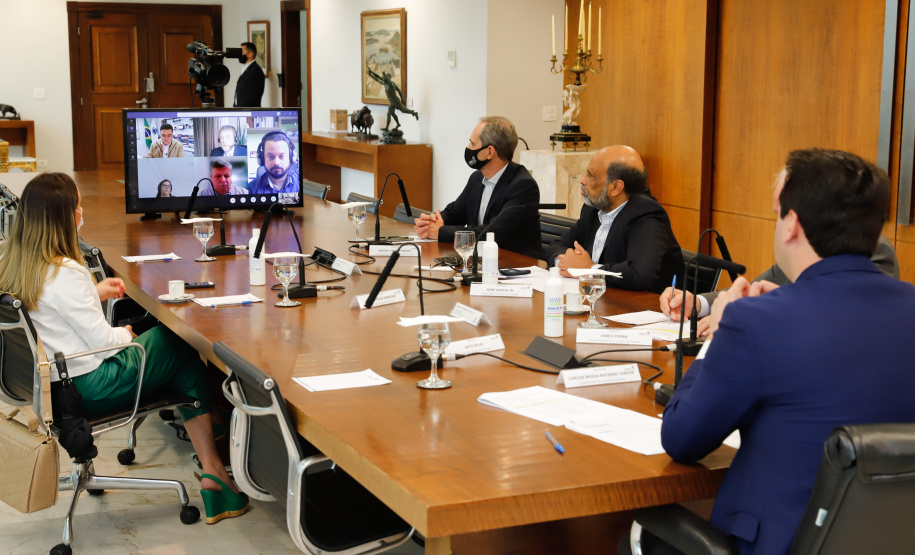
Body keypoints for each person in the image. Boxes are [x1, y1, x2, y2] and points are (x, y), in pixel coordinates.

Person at [630, 149, 915, 555]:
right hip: (893, 539)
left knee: (639, 535)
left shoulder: (756, 322)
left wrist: (719, 334)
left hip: (778, 542)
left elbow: (681, 438)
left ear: (791, 224)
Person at [0, 173, 248, 525]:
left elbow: (48, 305)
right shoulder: (66, 271)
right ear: (64, 217)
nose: (81, 213)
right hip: (87, 386)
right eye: (78, 207)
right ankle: (215, 458)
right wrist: (125, 334)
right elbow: (102, 343)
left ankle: (214, 450)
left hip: (46, 388)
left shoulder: (14, 262)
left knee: (178, 357)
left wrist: (93, 293)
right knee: (179, 342)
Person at [660, 234, 900, 336]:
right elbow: (751, 289)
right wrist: (699, 303)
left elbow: (845, 322)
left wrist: (738, 327)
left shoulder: (871, 248)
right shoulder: (801, 246)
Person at [544, 145, 683, 293]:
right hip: (601, 298)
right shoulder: (594, 208)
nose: (583, 180)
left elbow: (639, 275)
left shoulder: (646, 214)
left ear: (616, 187)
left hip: (644, 304)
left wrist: (588, 269)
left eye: (591, 176)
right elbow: (556, 246)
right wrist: (567, 263)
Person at [413, 116, 541, 259]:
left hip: (515, 264)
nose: (468, 148)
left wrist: (440, 232)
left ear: (489, 152)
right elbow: (455, 212)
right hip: (481, 261)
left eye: (472, 144)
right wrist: (430, 222)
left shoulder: (523, 186)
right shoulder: (477, 178)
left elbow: (492, 233)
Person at [234, 42, 265, 108]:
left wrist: (241, 110)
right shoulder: (246, 69)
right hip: (240, 110)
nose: (239, 55)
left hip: (248, 111)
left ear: (250, 54)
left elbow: (251, 96)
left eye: (241, 52)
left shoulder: (255, 71)